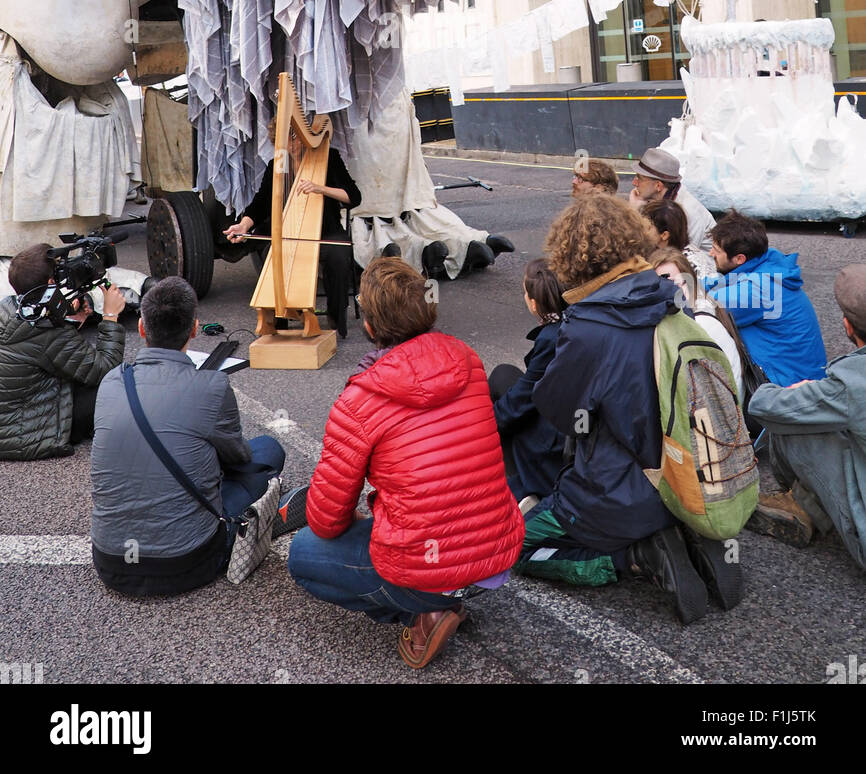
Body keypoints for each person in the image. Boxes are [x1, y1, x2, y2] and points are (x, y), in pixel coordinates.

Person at [288, 257, 525, 670]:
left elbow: (326, 520)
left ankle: (423, 610)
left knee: (304, 553)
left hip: (428, 565)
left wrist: (364, 514)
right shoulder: (467, 361)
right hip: (496, 550)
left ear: (370, 325)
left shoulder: (359, 399)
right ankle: (448, 595)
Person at [523, 193, 741, 622]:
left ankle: (633, 557)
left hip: (612, 492)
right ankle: (683, 531)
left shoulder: (587, 326)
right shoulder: (669, 300)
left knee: (515, 547)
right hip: (686, 478)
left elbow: (558, 411)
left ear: (570, 257)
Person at [90, 276, 285, 597]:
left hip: (111, 562)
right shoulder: (211, 385)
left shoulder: (113, 381)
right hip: (188, 562)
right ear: (194, 329)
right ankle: (265, 511)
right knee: (267, 450)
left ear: (141, 328)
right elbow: (238, 458)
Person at [745, 263, 866, 567]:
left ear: (847, 326)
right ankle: (807, 505)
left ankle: (799, 502)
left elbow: (763, 406)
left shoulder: (852, 382)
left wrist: (801, 389)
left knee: (795, 418)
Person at [224, 121, 361, 338]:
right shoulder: (278, 165)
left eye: (295, 137)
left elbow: (354, 197)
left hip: (327, 230)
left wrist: (320, 188)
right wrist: (244, 224)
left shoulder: (329, 158)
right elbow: (261, 202)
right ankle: (280, 320)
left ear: (306, 138)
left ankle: (336, 317)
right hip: (289, 230)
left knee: (339, 255)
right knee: (271, 251)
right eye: (285, 140)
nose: (292, 144)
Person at [0, 243, 124, 460]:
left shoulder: (8, 307)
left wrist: (69, 314)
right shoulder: (47, 331)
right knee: (118, 387)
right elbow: (105, 369)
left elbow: (37, 347)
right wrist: (110, 316)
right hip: (25, 432)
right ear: (50, 283)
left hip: (10, 412)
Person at [703, 210, 826, 387]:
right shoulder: (766, 263)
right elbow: (720, 283)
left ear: (739, 259)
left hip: (787, 389)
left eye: (716, 250)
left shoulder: (760, 290)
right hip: (795, 374)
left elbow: (702, 307)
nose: (710, 254)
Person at [489, 258, 567, 506]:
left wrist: (478, 426)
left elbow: (518, 403)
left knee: (500, 418)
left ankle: (521, 487)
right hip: (567, 417)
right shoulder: (572, 322)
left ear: (534, 303)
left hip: (557, 445)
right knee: (503, 374)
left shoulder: (550, 339)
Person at [648, 246, 744, 402]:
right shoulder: (703, 307)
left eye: (678, 285)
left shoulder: (700, 324)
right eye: (663, 286)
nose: (672, 293)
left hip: (720, 415)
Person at [629, 147, 714, 253]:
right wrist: (635, 210)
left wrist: (634, 213)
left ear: (658, 186)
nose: (634, 183)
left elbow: (682, 258)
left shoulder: (688, 211)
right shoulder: (657, 200)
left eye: (639, 179)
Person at [642, 197, 715, 281]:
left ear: (664, 235)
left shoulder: (688, 264)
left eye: (647, 228)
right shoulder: (656, 252)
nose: (642, 231)